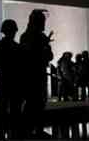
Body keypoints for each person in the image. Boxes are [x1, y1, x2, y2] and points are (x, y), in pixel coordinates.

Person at [19, 10, 54, 138]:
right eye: (42, 21)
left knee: (39, 102)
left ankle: (36, 128)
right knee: (33, 102)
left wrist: (45, 46)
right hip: (32, 74)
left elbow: (50, 56)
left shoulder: (32, 36)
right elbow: (27, 55)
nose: (44, 24)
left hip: (37, 74)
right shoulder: (28, 37)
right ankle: (30, 129)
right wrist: (43, 46)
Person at [0, 20, 22, 140]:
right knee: (15, 107)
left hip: (2, 79)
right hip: (14, 80)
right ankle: (13, 130)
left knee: (2, 106)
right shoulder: (18, 47)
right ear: (14, 31)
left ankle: (2, 131)